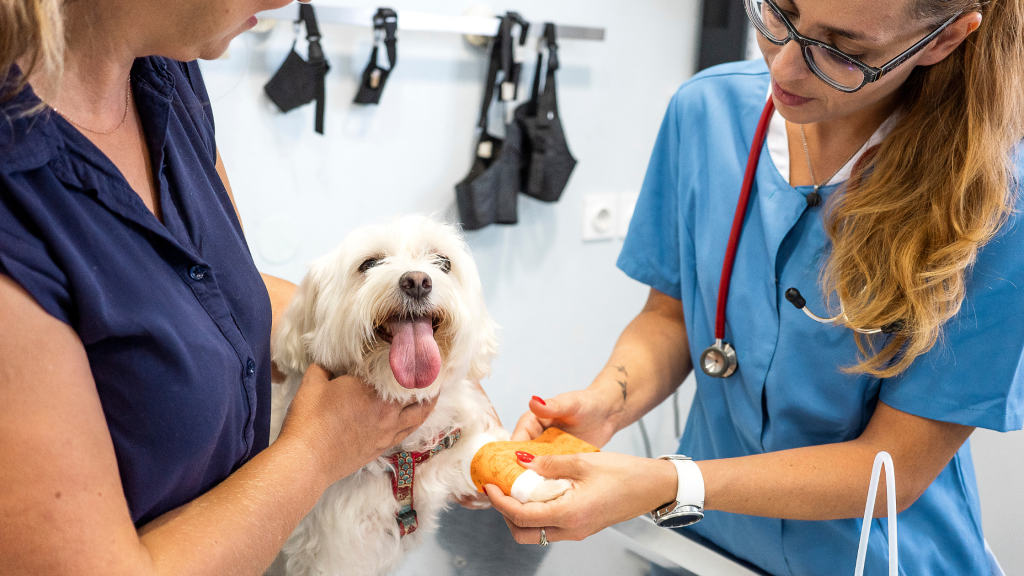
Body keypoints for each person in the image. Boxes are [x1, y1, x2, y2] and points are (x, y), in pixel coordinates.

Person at [485, 0, 1024, 574]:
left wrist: (669, 481)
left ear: (942, 40)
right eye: (779, 13)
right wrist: (608, 403)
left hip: (876, 558)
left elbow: (892, 465)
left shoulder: (994, 197)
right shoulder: (706, 113)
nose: (785, 68)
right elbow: (670, 317)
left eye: (843, 50)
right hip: (705, 547)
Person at [0, 1, 438, 575]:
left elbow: (206, 299)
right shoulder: (17, 202)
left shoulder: (164, 78)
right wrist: (317, 451)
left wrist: (407, 345)